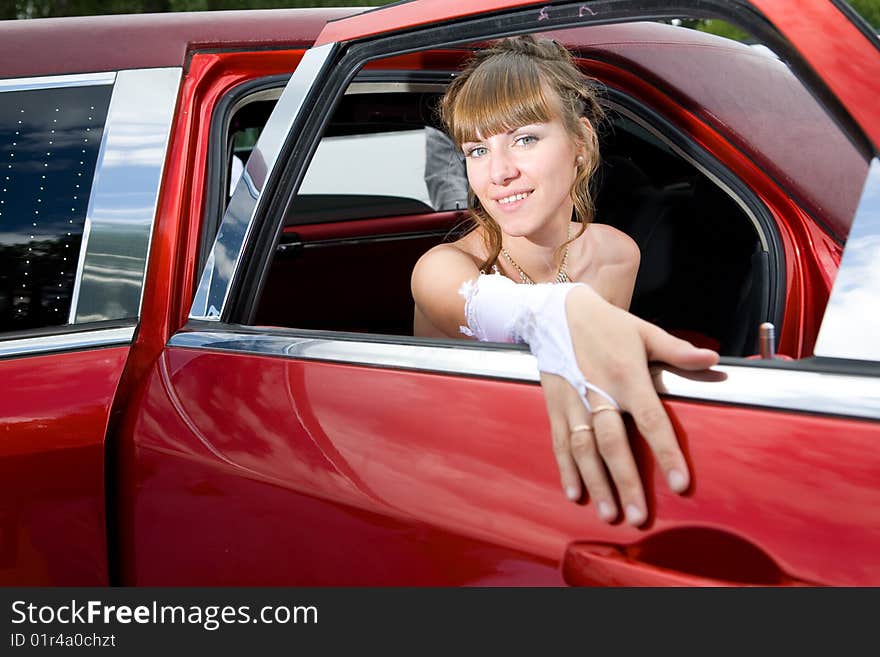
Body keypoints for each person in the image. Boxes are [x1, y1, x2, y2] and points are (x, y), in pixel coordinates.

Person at [411, 35, 719, 527]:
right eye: (476, 150)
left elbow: (589, 385)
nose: (499, 172)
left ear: (580, 142)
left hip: (557, 487)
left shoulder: (616, 253)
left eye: (524, 139)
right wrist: (564, 307)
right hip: (450, 484)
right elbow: (489, 306)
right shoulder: (441, 268)